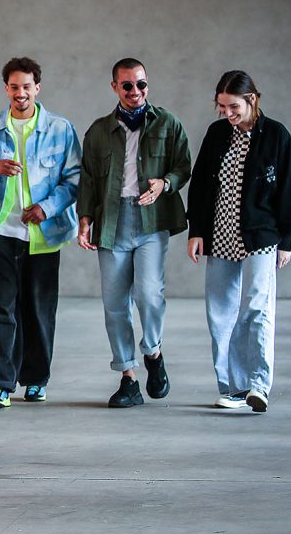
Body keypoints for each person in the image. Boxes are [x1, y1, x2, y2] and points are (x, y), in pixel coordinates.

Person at [0, 57, 81, 408]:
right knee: (0, 311)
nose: (20, 93)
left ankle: (36, 379)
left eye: (27, 86)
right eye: (14, 87)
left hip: (44, 236)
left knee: (39, 312)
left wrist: (47, 208)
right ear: (6, 89)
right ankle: (0, 383)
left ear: (37, 88)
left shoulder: (60, 129)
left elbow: (75, 179)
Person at [77, 58, 191, 408]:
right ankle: (128, 377)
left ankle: (153, 352)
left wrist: (164, 183)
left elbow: (183, 166)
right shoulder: (99, 131)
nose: (136, 91)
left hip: (151, 221)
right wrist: (84, 219)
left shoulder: (168, 123)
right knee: (115, 304)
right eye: (127, 85)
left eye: (141, 84)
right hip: (112, 222)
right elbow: (88, 178)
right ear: (115, 87)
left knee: (149, 295)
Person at [187, 70, 291, 413]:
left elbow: (289, 189)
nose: (227, 113)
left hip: (262, 235)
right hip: (221, 233)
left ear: (251, 100)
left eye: (233, 106)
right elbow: (201, 184)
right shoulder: (217, 134)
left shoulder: (276, 135)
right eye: (222, 107)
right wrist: (196, 230)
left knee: (257, 307)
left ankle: (258, 386)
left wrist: (286, 240)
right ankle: (233, 388)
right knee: (220, 313)